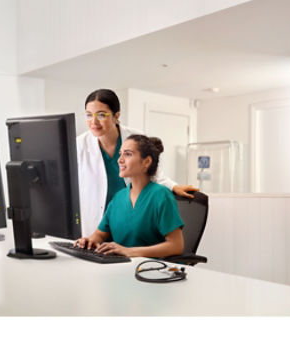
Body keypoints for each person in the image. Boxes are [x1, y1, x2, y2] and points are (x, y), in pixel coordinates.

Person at [76, 88, 198, 236]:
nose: (93, 122)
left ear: (116, 116)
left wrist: (174, 187)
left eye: (101, 115)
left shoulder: (135, 138)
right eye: (89, 115)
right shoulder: (79, 145)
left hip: (130, 220)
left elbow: (153, 173)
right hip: (96, 224)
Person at [75, 134, 184, 258]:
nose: (119, 160)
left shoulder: (161, 196)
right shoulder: (118, 198)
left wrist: (129, 252)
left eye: (127, 154)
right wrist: (90, 240)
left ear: (146, 162)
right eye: (120, 153)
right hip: (119, 267)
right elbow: (100, 234)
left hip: (151, 270)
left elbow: (176, 245)